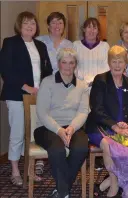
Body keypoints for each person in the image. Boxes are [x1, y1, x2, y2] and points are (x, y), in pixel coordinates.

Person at [0, 11, 53, 186]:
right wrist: (27, 88)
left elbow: (48, 71)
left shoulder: (40, 45)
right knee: (18, 132)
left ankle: (29, 170)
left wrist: (44, 89)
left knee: (33, 134)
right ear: (19, 26)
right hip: (17, 95)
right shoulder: (10, 43)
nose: (30, 26)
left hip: (38, 97)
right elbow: (6, 71)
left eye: (32, 23)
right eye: (26, 24)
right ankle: (15, 170)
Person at [86, 45, 128, 197]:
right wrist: (115, 127)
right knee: (109, 145)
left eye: (120, 61)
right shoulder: (100, 80)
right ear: (109, 63)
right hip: (99, 126)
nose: (117, 65)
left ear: (126, 63)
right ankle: (114, 186)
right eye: (114, 61)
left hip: (123, 128)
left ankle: (105, 183)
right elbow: (97, 109)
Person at [34, 48, 89, 198]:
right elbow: (42, 113)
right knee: (57, 150)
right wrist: (59, 130)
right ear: (58, 63)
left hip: (73, 127)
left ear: (75, 64)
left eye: (71, 62)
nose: (67, 66)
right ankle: (64, 192)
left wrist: (71, 128)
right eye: (64, 62)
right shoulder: (47, 82)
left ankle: (61, 191)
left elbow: (83, 111)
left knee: (82, 148)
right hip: (46, 127)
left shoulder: (82, 86)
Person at [35, 11, 73, 177]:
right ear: (48, 25)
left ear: (64, 26)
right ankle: (40, 161)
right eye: (54, 22)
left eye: (60, 23)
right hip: (44, 87)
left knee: (59, 118)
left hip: (63, 88)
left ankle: (61, 154)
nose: (57, 26)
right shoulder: (40, 42)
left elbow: (72, 66)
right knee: (42, 119)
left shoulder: (69, 43)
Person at [73, 17, 110, 87]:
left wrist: (96, 81)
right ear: (84, 29)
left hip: (99, 85)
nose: (91, 30)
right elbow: (73, 66)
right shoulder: (76, 45)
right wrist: (83, 81)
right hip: (80, 84)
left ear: (98, 31)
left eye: (95, 28)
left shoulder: (105, 46)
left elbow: (107, 67)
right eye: (89, 27)